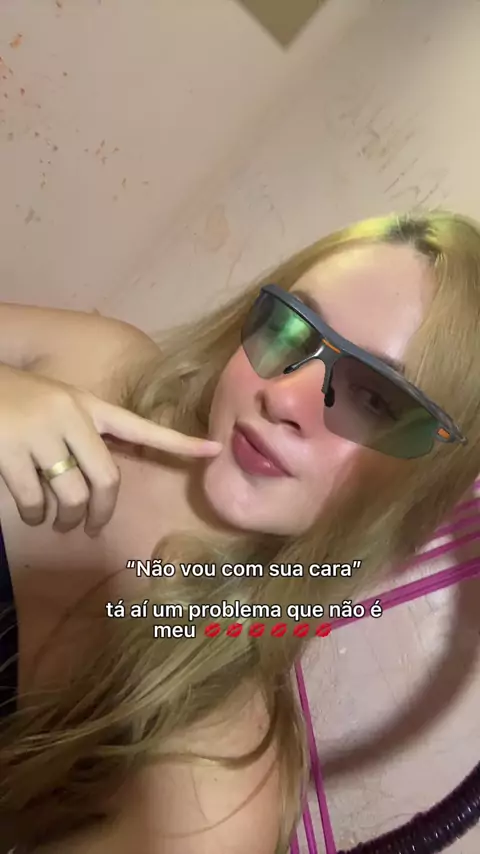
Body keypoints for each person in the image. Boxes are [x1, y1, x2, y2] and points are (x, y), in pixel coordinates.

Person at [0, 210, 479, 854]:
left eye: (376, 400)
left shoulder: (211, 795)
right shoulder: (96, 363)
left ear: (423, 481)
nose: (283, 398)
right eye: (292, 328)